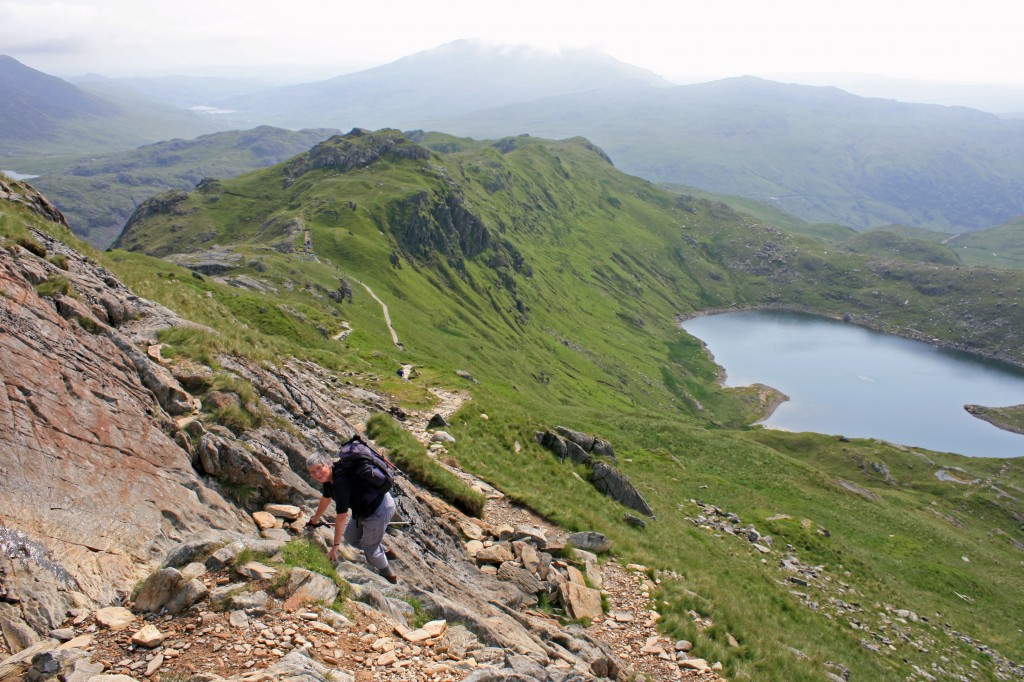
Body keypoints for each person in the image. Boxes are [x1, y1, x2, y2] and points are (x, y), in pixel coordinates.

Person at [306, 450, 398, 584]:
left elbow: (342, 516)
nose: (317, 474)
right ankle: (385, 552)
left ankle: (388, 576)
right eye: (312, 472)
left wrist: (335, 546)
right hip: (363, 509)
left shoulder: (340, 482)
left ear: (328, 464)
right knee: (351, 537)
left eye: (319, 469)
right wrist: (314, 521)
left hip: (379, 508)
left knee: (370, 548)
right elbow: (326, 499)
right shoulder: (329, 479)